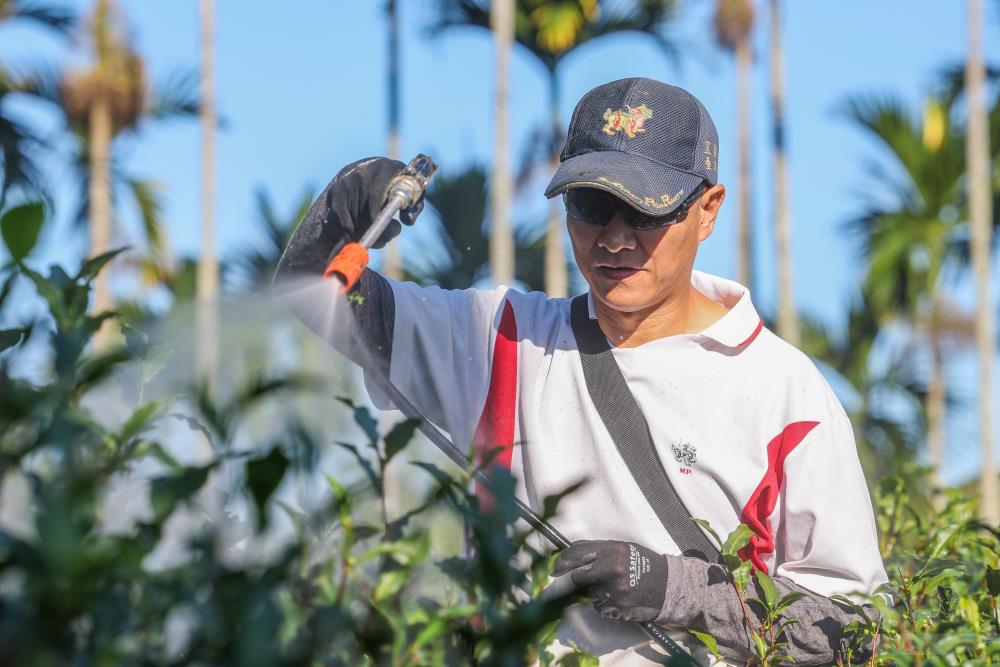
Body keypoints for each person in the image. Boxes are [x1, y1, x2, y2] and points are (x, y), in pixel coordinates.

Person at [276, 77, 887, 666]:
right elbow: (317, 296)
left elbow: (855, 630)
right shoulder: (502, 340)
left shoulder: (787, 391)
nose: (615, 239)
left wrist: (675, 589)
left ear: (708, 209)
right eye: (592, 205)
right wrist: (341, 207)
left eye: (645, 212)